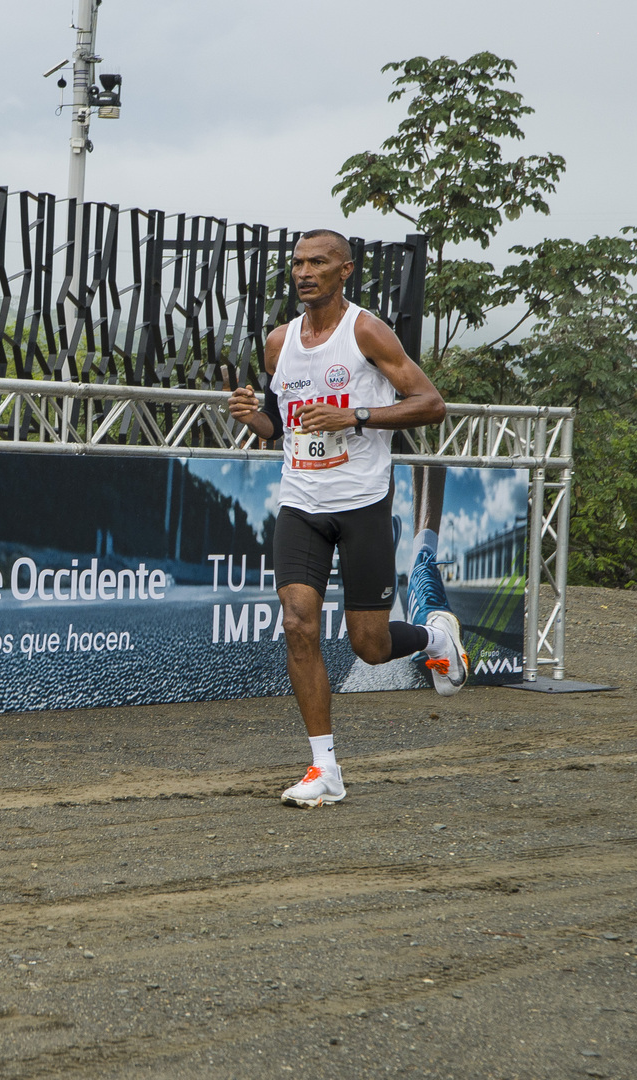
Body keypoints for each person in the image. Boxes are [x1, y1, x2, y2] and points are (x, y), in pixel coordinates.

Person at [227, 230, 468, 808]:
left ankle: (436, 636)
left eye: (318, 262)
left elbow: (431, 404)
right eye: (297, 263)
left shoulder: (365, 331)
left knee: (370, 644)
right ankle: (325, 768)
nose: (304, 272)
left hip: (361, 503)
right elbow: (280, 427)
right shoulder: (279, 342)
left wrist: (353, 416)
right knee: (298, 624)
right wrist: (252, 417)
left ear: (345, 271)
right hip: (301, 504)